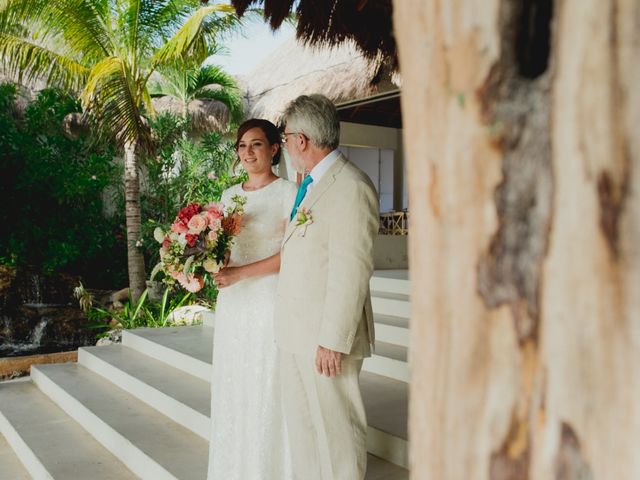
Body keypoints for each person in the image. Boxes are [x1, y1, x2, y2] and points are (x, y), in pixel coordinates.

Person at [275, 94, 379, 480]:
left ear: (301, 140)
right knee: (304, 428)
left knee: (338, 432)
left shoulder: (351, 186)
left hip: (326, 336)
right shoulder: (310, 185)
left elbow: (351, 269)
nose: (285, 145)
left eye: (286, 138)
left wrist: (333, 339)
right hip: (295, 331)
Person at [207, 118, 297, 480]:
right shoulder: (230, 196)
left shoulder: (290, 193)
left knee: (265, 380)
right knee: (235, 380)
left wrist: (239, 274)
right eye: (242, 146)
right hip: (233, 301)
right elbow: (223, 249)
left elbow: (292, 254)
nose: (248, 152)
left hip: (267, 298)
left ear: (274, 149)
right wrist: (207, 263)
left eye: (256, 144)